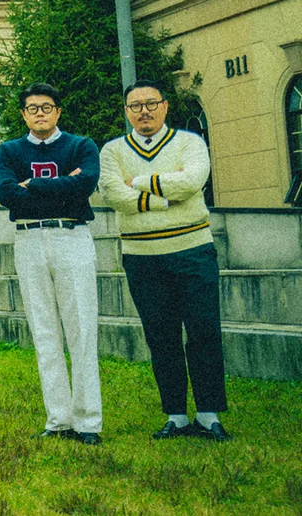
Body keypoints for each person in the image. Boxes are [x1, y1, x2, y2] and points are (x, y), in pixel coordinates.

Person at [98, 79, 229, 441]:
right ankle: (176, 415)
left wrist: (137, 181)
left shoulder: (190, 142)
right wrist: (161, 198)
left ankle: (208, 415)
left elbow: (193, 182)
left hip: (193, 251)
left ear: (165, 106)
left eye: (151, 103)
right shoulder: (112, 151)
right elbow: (112, 192)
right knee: (161, 337)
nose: (144, 111)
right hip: (142, 257)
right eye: (136, 106)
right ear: (126, 112)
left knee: (204, 332)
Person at [0, 83, 103, 445]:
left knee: (82, 329)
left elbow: (85, 184)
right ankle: (58, 419)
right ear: (23, 114)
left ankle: (88, 422)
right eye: (32, 108)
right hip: (29, 239)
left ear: (58, 111)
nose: (40, 113)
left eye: (46, 107)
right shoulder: (9, 151)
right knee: (44, 331)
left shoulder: (81, 145)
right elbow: (8, 195)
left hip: (71, 236)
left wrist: (33, 187)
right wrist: (61, 185)